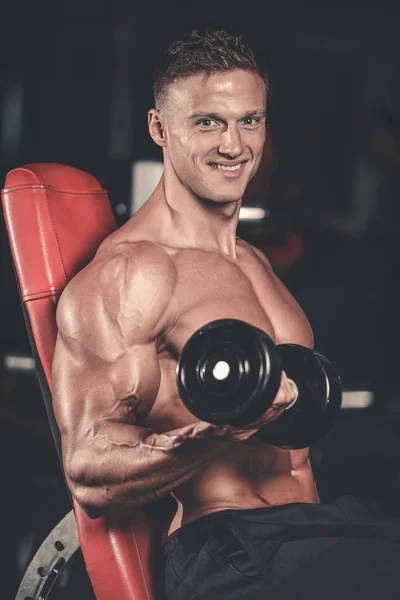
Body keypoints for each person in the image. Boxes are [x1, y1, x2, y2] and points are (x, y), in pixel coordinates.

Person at [52, 29, 400, 599]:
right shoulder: (136, 272)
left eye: (250, 120)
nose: (234, 145)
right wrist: (222, 430)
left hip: (312, 531)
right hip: (226, 549)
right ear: (159, 128)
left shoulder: (255, 263)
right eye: (208, 122)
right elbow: (88, 468)